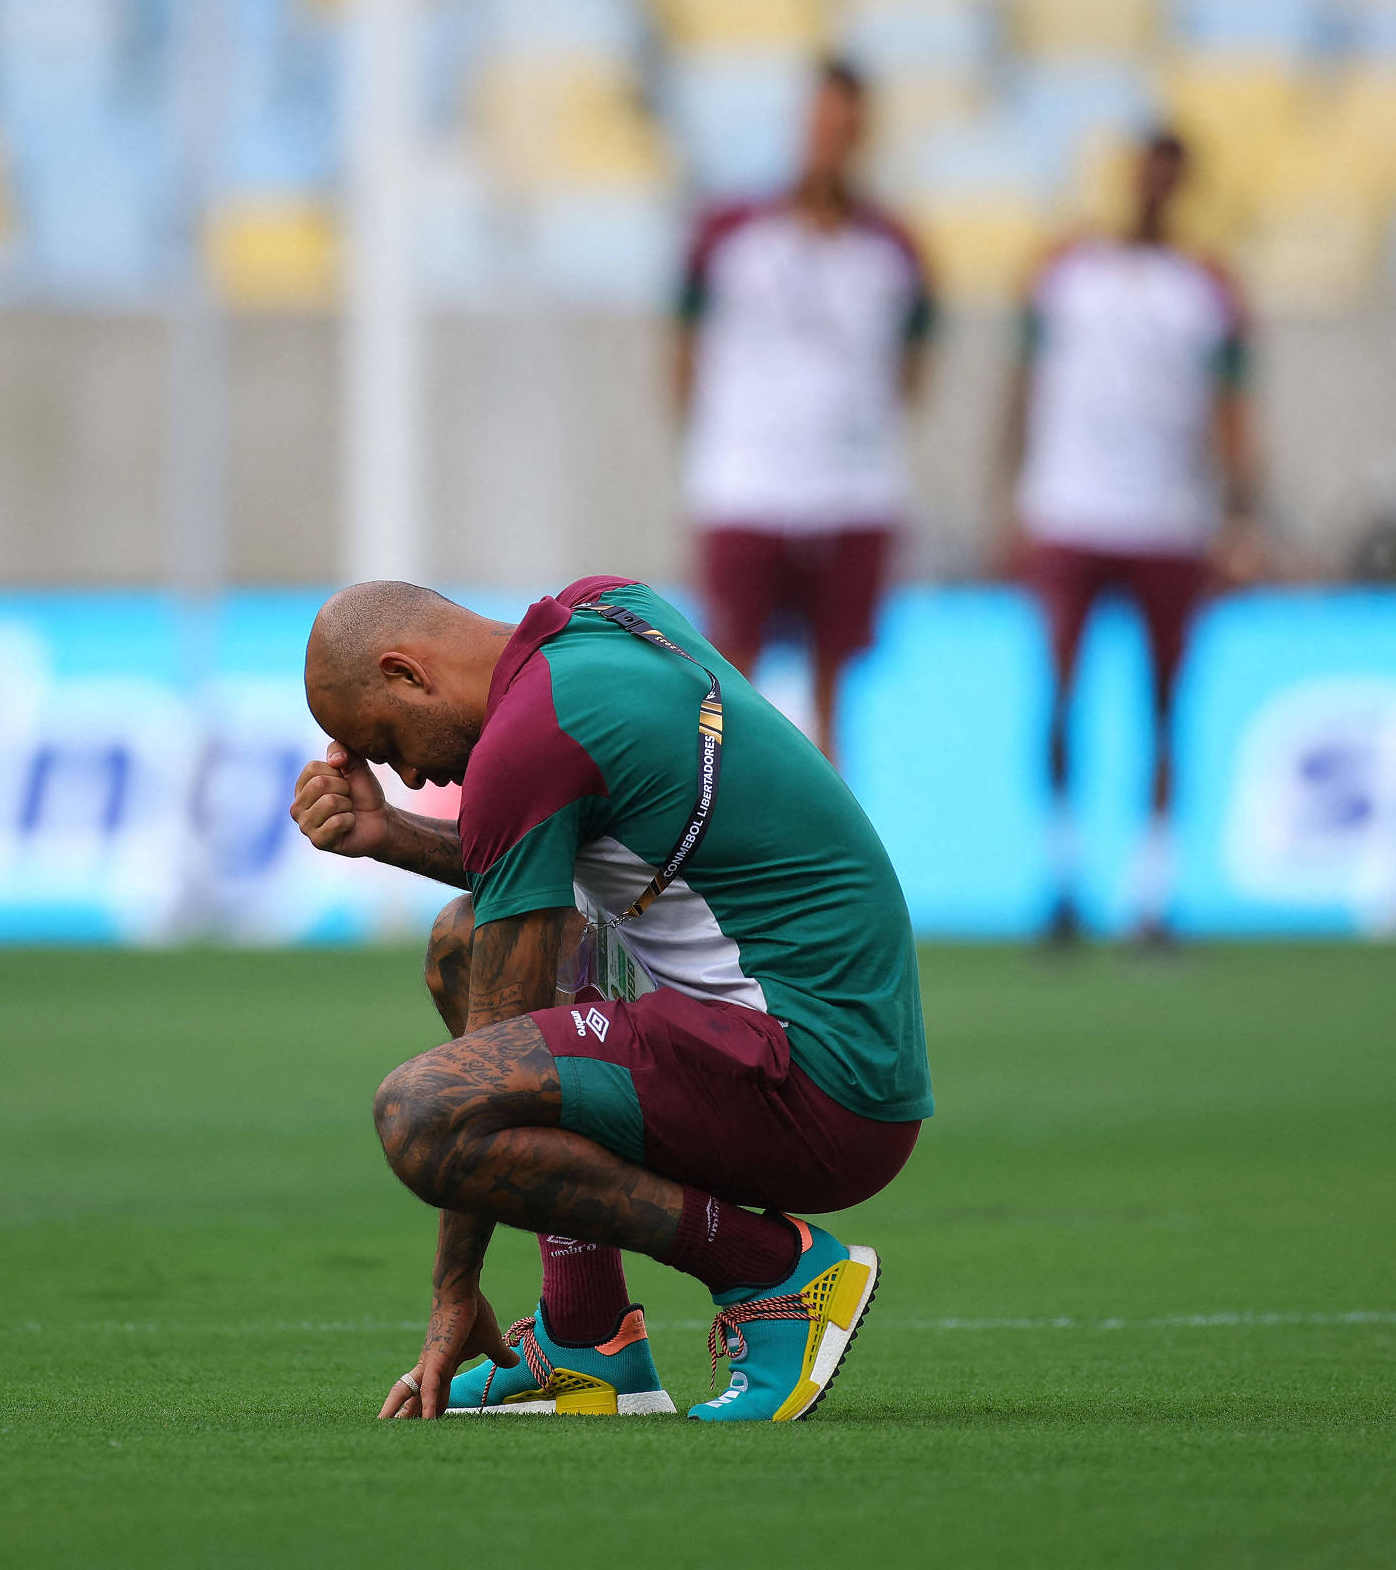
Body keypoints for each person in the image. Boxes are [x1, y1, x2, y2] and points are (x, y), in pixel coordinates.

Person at [291, 577, 930, 1421]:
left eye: (387, 742)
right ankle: (588, 1336)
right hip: (838, 1049)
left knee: (421, 1112)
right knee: (461, 940)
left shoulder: (528, 743)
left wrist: (455, 1291)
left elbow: (482, 1064)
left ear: (408, 674)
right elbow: (536, 856)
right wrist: (391, 838)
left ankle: (772, 1272)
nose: (407, 772)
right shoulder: (604, 614)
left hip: (819, 1088)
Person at [999, 129, 1263, 946]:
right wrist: (1009, 495)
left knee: (1163, 707)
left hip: (1168, 518)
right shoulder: (1065, 276)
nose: (1153, 188)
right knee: (1062, 696)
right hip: (1069, 507)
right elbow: (1023, 389)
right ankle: (1065, 875)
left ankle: (1151, 888)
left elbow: (1232, 414)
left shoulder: (1207, 288)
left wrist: (1241, 515)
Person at [674, 57, 935, 764]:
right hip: (749, 482)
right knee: (728, 680)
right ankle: (725, 849)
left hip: (851, 489)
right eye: (822, 122)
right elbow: (684, 352)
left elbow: (913, 366)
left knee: (834, 687)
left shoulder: (893, 249)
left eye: (846, 126)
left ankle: (827, 858)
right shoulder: (730, 233)